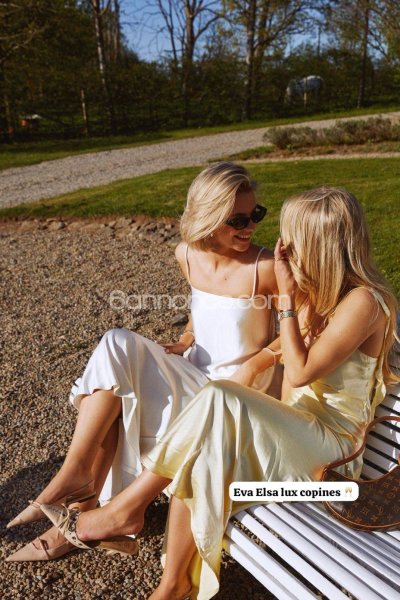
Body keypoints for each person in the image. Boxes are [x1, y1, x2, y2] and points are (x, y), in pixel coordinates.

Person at [36, 186, 398, 599]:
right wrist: (251, 361)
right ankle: (174, 585)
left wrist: (285, 298)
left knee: (219, 398)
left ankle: (127, 509)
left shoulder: (364, 302)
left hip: (333, 464)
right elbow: (283, 351)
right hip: (297, 440)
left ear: (319, 244)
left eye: (291, 238)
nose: (283, 247)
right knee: (206, 450)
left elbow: (299, 373)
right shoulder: (320, 294)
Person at [6, 162, 281, 561]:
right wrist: (186, 338)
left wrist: (257, 363)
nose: (250, 226)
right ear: (207, 219)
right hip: (193, 375)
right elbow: (201, 308)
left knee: (115, 385)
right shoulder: (187, 254)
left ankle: (82, 497)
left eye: (256, 214)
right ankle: (79, 484)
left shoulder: (266, 267)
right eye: (238, 220)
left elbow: (300, 331)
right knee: (116, 351)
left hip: (234, 397)